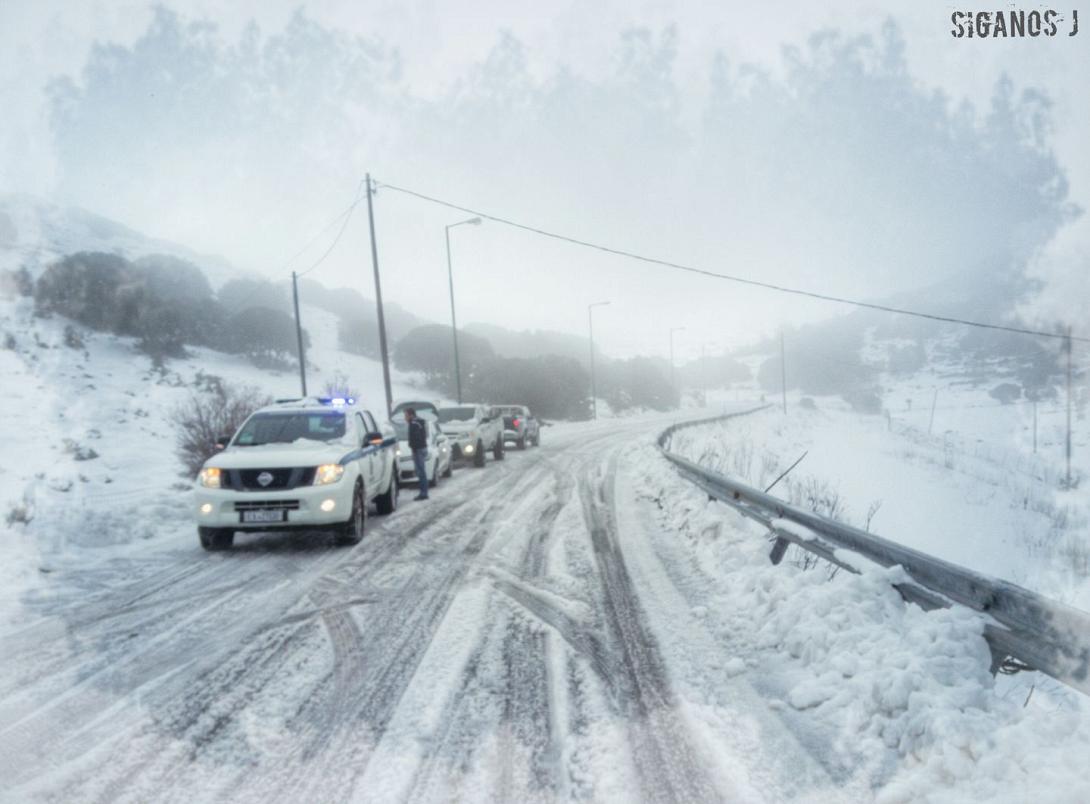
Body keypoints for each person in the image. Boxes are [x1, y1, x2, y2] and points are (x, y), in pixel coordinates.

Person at [404, 407, 430, 500]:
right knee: (421, 471)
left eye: (406, 415)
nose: (405, 418)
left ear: (411, 415)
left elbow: (416, 437)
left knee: (420, 471)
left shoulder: (414, 424)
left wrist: (414, 448)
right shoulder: (419, 422)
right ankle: (424, 491)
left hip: (418, 450)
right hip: (421, 448)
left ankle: (423, 493)